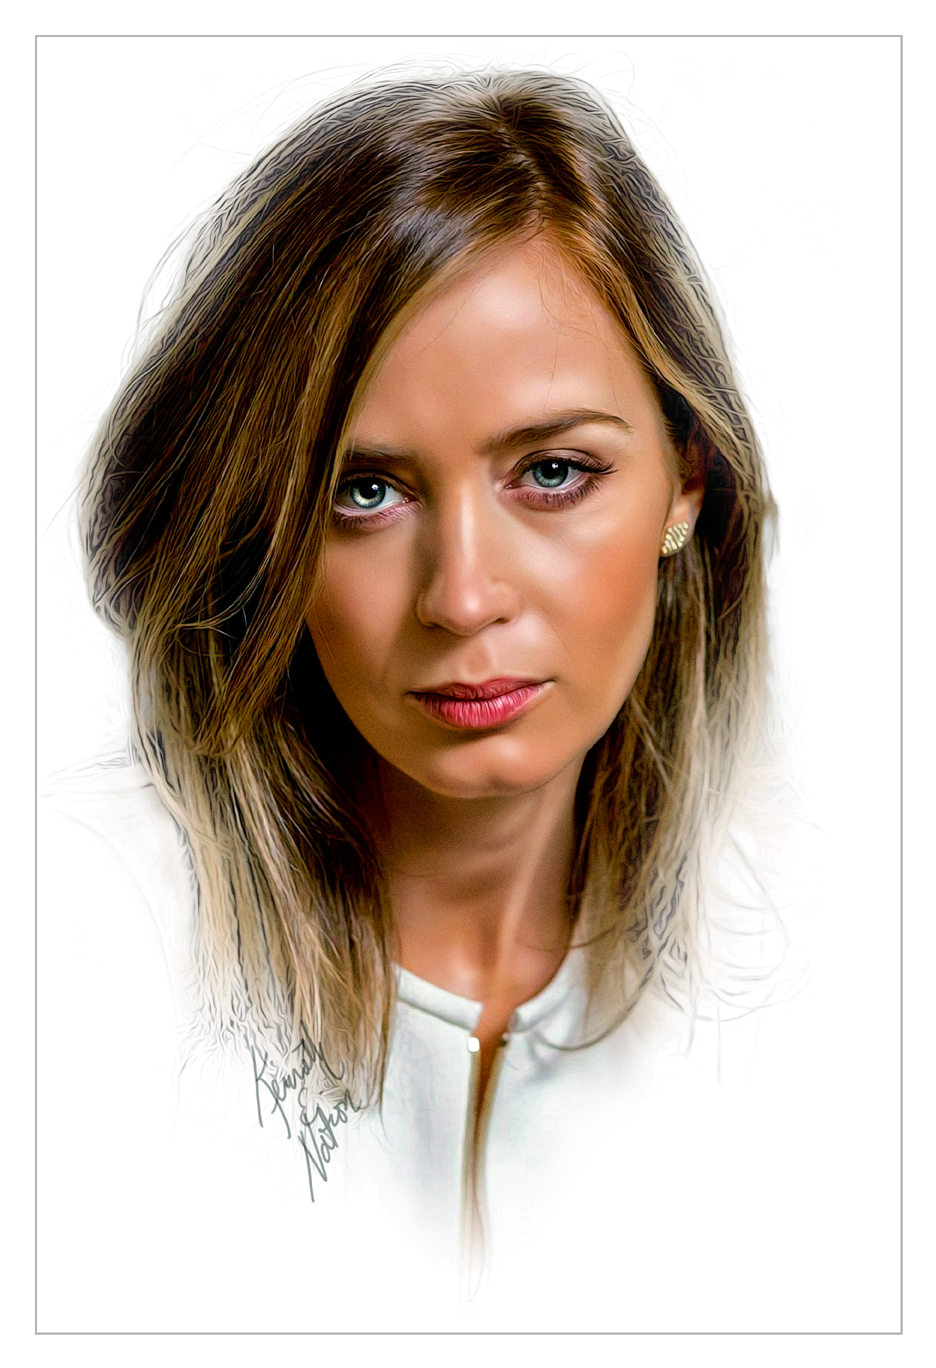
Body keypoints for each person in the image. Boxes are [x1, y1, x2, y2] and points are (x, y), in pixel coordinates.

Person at [43, 68, 775, 1329]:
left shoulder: (844, 967)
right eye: (364, 491)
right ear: (262, 527)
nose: (463, 597)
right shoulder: (72, 943)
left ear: (687, 482)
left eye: (554, 471)